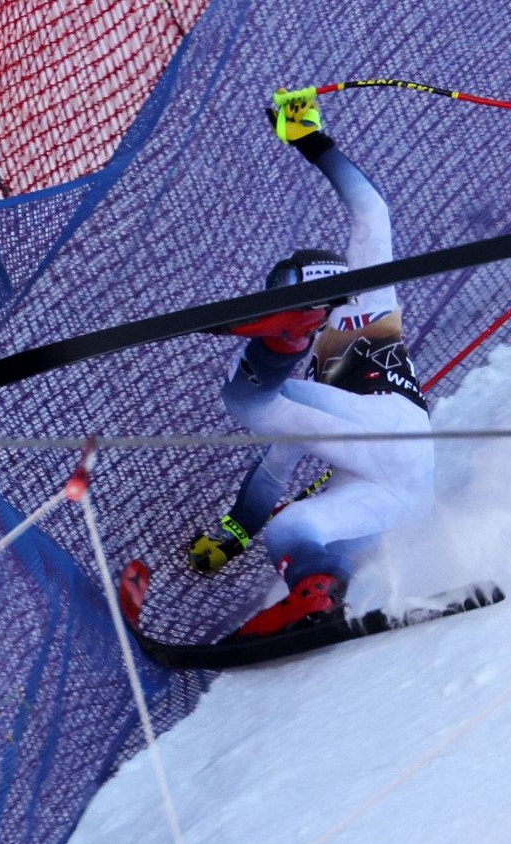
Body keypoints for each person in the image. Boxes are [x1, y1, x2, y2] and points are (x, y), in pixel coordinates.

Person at [188, 89, 433, 638]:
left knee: (255, 399)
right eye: (282, 311)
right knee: (295, 528)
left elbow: (371, 211)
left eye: (292, 307)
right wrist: (235, 536)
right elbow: (275, 469)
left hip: (394, 428)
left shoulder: (365, 302)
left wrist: (307, 137)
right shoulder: (314, 402)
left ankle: (280, 341)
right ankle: (317, 596)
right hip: (398, 499)